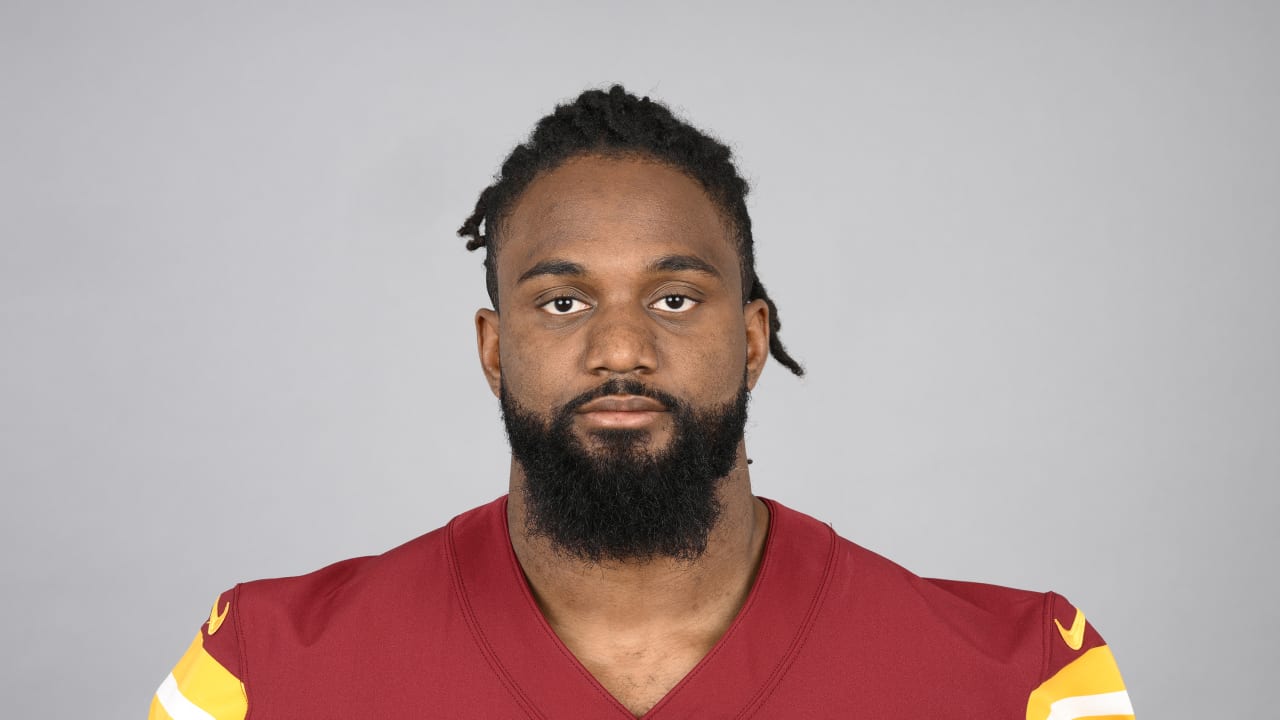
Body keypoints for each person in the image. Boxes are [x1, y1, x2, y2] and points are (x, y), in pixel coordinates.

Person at [149, 85, 1133, 719]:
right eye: (562, 300)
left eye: (672, 298)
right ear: (495, 350)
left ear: (750, 339)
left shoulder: (1021, 680)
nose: (620, 348)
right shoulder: (261, 675)